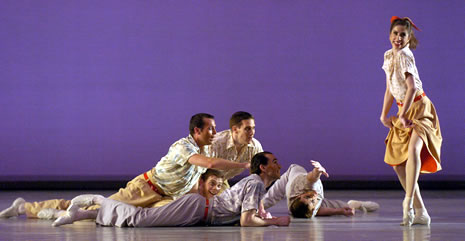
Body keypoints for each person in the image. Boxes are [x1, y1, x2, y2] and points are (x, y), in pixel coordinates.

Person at [0, 113, 249, 219]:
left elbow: (206, 176)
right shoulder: (183, 146)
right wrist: (245, 164)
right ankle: (26, 207)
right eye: (210, 128)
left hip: (166, 197)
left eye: (216, 128)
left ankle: (69, 215)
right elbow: (210, 164)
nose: (215, 132)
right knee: (96, 206)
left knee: (158, 217)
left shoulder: (205, 148)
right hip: (145, 189)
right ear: (197, 131)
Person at [51, 152, 290, 227]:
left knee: (141, 219)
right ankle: (98, 200)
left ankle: (83, 214)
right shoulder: (256, 183)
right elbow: (246, 221)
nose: (279, 165)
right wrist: (275, 221)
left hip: (201, 212)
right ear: (263, 167)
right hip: (198, 208)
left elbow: (251, 211)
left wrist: (264, 215)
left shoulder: (256, 185)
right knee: (141, 220)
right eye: (275, 162)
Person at [380, 16, 442, 226]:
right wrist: (383, 114)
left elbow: (412, 88)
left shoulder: (406, 56)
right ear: (390, 35)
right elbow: (390, 88)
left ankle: (407, 203)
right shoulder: (389, 56)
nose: (398, 38)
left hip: (418, 107)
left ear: (409, 38)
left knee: (413, 150)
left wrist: (405, 114)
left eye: (403, 34)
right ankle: (420, 210)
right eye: (395, 34)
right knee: (398, 163)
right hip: (403, 108)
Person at [262, 161, 379, 218]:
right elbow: (317, 211)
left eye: (307, 197)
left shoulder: (302, 186)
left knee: (268, 199)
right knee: (345, 206)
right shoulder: (311, 206)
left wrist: (318, 171)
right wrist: (340, 211)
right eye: (312, 201)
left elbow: (311, 178)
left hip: (292, 175)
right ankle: (356, 204)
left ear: (299, 196)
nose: (313, 196)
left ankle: (252, 207)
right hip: (314, 201)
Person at [211, 111, 263, 190]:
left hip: (220, 180)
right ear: (235, 129)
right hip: (197, 180)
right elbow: (199, 172)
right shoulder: (216, 144)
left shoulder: (255, 146)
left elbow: (259, 174)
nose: (252, 132)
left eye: (253, 128)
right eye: (247, 129)